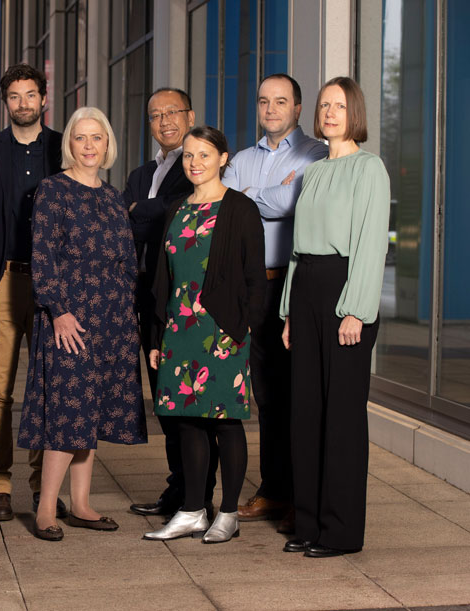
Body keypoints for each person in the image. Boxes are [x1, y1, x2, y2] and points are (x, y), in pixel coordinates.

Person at [18, 107, 147, 542]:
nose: (89, 146)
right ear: (68, 145)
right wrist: (58, 310)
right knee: (67, 412)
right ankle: (45, 510)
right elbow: (42, 258)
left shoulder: (113, 197)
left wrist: (129, 315)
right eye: (80, 138)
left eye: (97, 138)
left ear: (107, 144)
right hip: (69, 319)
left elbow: (128, 262)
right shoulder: (52, 191)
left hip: (111, 319)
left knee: (90, 414)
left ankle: (82, 504)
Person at [280, 77, 390, 558]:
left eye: (338, 105)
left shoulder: (370, 169)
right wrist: (286, 312)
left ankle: (340, 531)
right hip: (305, 292)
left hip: (345, 291)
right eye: (323, 105)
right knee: (304, 412)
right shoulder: (314, 172)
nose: (328, 112)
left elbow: (370, 244)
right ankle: (308, 523)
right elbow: (296, 249)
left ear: (355, 113)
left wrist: (356, 311)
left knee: (341, 416)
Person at [143, 126, 265, 544]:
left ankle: (228, 513)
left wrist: (241, 330)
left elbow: (254, 280)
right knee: (187, 423)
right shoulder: (176, 208)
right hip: (179, 329)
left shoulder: (240, 209)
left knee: (226, 423)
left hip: (223, 331)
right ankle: (193, 509)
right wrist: (157, 336)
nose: (194, 163)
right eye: (189, 156)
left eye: (204, 155)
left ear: (223, 159)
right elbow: (162, 279)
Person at [222, 74, 328, 532]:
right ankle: (273, 489)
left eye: (280, 101)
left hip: (292, 283)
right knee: (263, 394)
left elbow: (295, 200)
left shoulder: (316, 155)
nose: (270, 108)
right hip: (251, 288)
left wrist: (252, 197)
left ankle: (299, 495)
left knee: (294, 393)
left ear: (297, 108)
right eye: (264, 100)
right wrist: (265, 198)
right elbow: (226, 207)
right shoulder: (242, 158)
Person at [0, 63, 66, 522]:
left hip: (53, 284)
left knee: (48, 387)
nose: (23, 104)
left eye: (31, 95)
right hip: (2, 279)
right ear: (5, 102)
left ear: (44, 99)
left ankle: (46, 486)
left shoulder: (64, 147)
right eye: (15, 97)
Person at [124, 87, 218, 519]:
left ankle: (199, 493)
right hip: (147, 295)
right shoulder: (143, 174)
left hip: (186, 299)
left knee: (191, 400)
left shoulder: (196, 166)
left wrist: (141, 211)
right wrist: (149, 212)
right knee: (165, 396)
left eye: (172, 112)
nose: (164, 121)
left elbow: (172, 215)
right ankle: (178, 488)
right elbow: (133, 230)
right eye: (155, 114)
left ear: (190, 114)